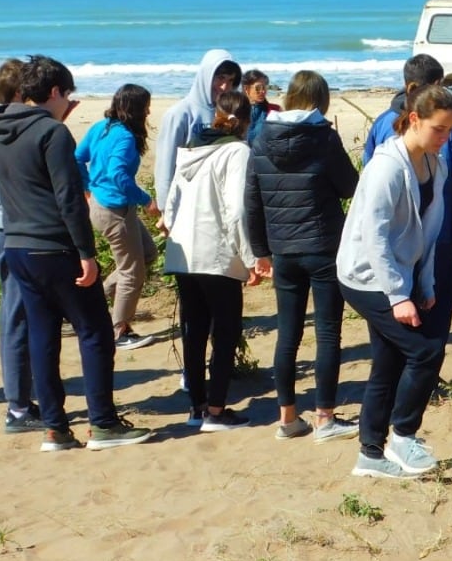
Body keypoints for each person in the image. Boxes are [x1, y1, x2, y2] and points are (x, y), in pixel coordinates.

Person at [0, 56, 152, 451]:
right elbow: (69, 199)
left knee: (43, 337)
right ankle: (104, 424)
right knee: (95, 333)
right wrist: (86, 252)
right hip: (56, 246)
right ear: (56, 92)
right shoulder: (53, 133)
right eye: (68, 94)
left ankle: (56, 429)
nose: (69, 103)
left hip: (18, 245)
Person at [338, 85, 452, 479]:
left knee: (387, 362)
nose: (445, 138)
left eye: (450, 130)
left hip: (399, 273)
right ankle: (403, 435)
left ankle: (370, 453)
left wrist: (423, 284)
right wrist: (397, 295)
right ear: (415, 120)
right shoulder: (387, 167)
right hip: (364, 276)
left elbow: (429, 232)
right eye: (439, 129)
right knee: (425, 351)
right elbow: (374, 235)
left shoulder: (435, 165)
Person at [245, 70, 359, 442]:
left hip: (283, 249)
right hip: (323, 245)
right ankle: (325, 418)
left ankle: (288, 418)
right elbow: (348, 187)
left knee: (288, 334)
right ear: (320, 100)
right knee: (327, 333)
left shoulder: (262, 136)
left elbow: (252, 200)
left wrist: (260, 250)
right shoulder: (324, 137)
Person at [363, 54, 452, 342]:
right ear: (435, 85)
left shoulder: (382, 123)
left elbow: (367, 177)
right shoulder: (450, 124)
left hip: (392, 236)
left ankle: (396, 375)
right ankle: (425, 372)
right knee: (433, 308)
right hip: (437, 233)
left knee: (395, 308)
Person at [162, 91, 259, 432]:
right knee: (226, 330)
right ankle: (216, 411)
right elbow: (237, 210)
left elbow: (171, 201)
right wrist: (250, 258)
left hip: (183, 252)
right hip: (215, 254)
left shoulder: (192, 146)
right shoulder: (237, 151)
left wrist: (172, 230)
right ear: (246, 122)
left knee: (195, 330)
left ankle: (197, 407)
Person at [0, 58, 39, 431]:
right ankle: (17, 408)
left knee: (23, 313)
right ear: (19, 94)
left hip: (4, 223)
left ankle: (25, 397)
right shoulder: (3, 127)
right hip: (9, 225)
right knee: (16, 313)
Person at [75, 84, 159, 350]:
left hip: (101, 206)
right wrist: (147, 201)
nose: (149, 111)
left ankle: (88, 301)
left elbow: (77, 158)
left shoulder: (102, 126)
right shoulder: (123, 136)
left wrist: (89, 187)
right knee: (132, 274)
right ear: (134, 109)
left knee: (147, 253)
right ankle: (119, 332)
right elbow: (118, 175)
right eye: (146, 105)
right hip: (114, 211)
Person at [153, 49, 241, 214]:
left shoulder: (230, 114)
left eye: (230, 81)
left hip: (219, 204)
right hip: (186, 204)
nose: (224, 87)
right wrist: (165, 208)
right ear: (206, 76)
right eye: (220, 78)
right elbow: (165, 164)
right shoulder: (180, 113)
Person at [242, 69, 279, 145]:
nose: (263, 91)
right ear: (246, 89)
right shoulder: (236, 111)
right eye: (258, 88)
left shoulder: (275, 110)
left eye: (265, 87)